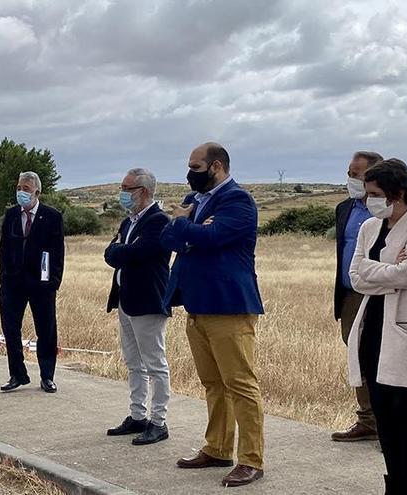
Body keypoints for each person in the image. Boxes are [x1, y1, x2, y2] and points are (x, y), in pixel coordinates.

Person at [159, 142, 266, 487]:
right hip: (198, 305)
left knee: (240, 384)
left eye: (196, 166)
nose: (190, 173)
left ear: (217, 166)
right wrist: (189, 226)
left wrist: (185, 225)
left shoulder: (237, 201)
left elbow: (213, 237)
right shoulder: (195, 202)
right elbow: (169, 239)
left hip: (229, 306)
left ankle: (251, 459)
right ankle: (218, 448)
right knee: (213, 383)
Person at [348, 159, 407, 494]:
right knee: (382, 409)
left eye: (374, 194)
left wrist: (382, 272)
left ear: (397, 193)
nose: (367, 200)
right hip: (373, 325)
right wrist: (390, 270)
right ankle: (394, 482)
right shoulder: (369, 227)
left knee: (403, 407)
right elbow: (355, 277)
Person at [104, 168, 172, 446]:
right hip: (125, 299)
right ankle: (137, 415)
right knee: (134, 363)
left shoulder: (158, 221)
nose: (122, 193)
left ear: (142, 192)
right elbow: (112, 252)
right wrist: (120, 252)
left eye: (126, 188)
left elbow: (135, 254)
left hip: (147, 301)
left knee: (155, 364)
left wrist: (120, 252)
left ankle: (159, 421)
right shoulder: (128, 221)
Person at [332, 151, 383, 442]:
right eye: (349, 173)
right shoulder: (345, 208)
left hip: (382, 292)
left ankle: (388, 423)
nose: (351, 179)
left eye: (357, 174)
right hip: (351, 293)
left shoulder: (392, 208)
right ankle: (367, 420)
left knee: (381, 355)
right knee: (357, 355)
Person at [0, 171, 65, 393]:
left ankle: (47, 376)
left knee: (46, 330)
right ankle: (17, 373)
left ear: (37, 191)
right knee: (10, 329)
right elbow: (4, 249)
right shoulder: (11, 215)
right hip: (13, 283)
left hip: (41, 284)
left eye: (25, 189)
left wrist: (53, 282)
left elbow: (57, 253)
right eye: (18, 188)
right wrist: (4, 277)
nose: (21, 192)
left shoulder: (52, 216)